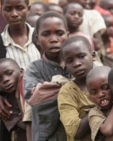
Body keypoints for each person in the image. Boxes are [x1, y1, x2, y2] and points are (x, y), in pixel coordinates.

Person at [0, 0, 41, 141]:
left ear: (28, 9)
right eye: (8, 9)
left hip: (46, 112)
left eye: (19, 8)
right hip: (14, 120)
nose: (14, 14)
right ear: (2, 10)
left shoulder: (41, 37)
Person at [23, 11, 71, 141]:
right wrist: (72, 88)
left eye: (59, 33)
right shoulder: (34, 69)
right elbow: (35, 97)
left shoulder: (78, 63)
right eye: (46, 34)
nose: (54, 39)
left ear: (68, 35)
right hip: (47, 136)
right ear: (37, 39)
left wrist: (52, 89)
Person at [58, 35, 97, 141]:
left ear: (93, 55)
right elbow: (75, 131)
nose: (76, 64)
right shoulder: (67, 92)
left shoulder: (107, 79)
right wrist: (98, 110)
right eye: (70, 61)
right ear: (65, 65)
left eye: (81, 56)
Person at [87, 66, 113, 140]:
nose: (100, 95)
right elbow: (108, 130)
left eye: (106, 87)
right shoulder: (95, 113)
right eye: (94, 92)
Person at [0, 58, 26, 141]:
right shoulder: (5, 105)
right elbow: (28, 126)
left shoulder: (36, 88)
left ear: (21, 72)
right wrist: (18, 99)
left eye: (9, 73)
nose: (5, 80)